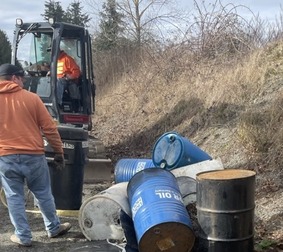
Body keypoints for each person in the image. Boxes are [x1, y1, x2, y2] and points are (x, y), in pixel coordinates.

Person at [0, 63, 72, 247]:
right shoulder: (32, 98)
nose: (23, 81)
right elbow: (49, 128)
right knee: (43, 193)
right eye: (21, 78)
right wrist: (58, 151)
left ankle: (23, 236)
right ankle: (53, 228)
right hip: (33, 156)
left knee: (14, 196)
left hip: (6, 157)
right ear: (14, 78)